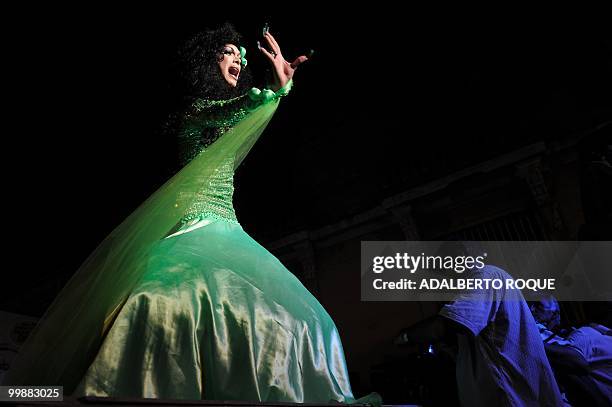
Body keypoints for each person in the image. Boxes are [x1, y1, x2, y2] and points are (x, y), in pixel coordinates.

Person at [3, 23, 379, 405]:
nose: (238, 58)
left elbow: (246, 116)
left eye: (241, 54)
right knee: (158, 302)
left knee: (310, 320)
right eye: (228, 51)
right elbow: (237, 108)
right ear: (207, 62)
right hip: (192, 227)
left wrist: (280, 91)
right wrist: (276, 91)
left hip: (227, 228)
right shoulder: (197, 112)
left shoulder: (230, 119)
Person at [396, 258, 564, 406]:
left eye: (442, 273)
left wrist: (404, 337)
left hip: (512, 399)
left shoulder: (486, 276)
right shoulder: (473, 291)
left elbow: (444, 326)